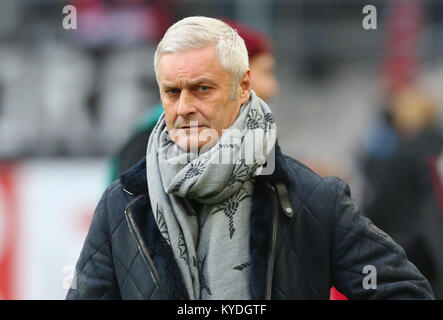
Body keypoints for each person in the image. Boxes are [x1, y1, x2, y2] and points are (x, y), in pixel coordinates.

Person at [66, 16, 434, 300]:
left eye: (202, 89)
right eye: (172, 91)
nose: (184, 108)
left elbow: (405, 290)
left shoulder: (311, 198)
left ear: (242, 87)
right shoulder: (123, 202)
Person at [109, 19, 279, 180]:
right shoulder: (149, 141)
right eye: (265, 72)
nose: (272, 88)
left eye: (202, 89)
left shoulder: (261, 144)